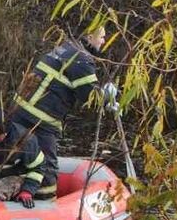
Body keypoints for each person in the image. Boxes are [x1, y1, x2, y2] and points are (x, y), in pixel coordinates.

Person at [9, 23, 118, 196]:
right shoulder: (82, 59)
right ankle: (44, 205)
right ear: (90, 37)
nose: (104, 41)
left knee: (16, 157)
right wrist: (107, 98)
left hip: (19, 111)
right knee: (46, 167)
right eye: (101, 37)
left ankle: (15, 195)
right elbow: (89, 96)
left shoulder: (66, 47)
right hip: (40, 119)